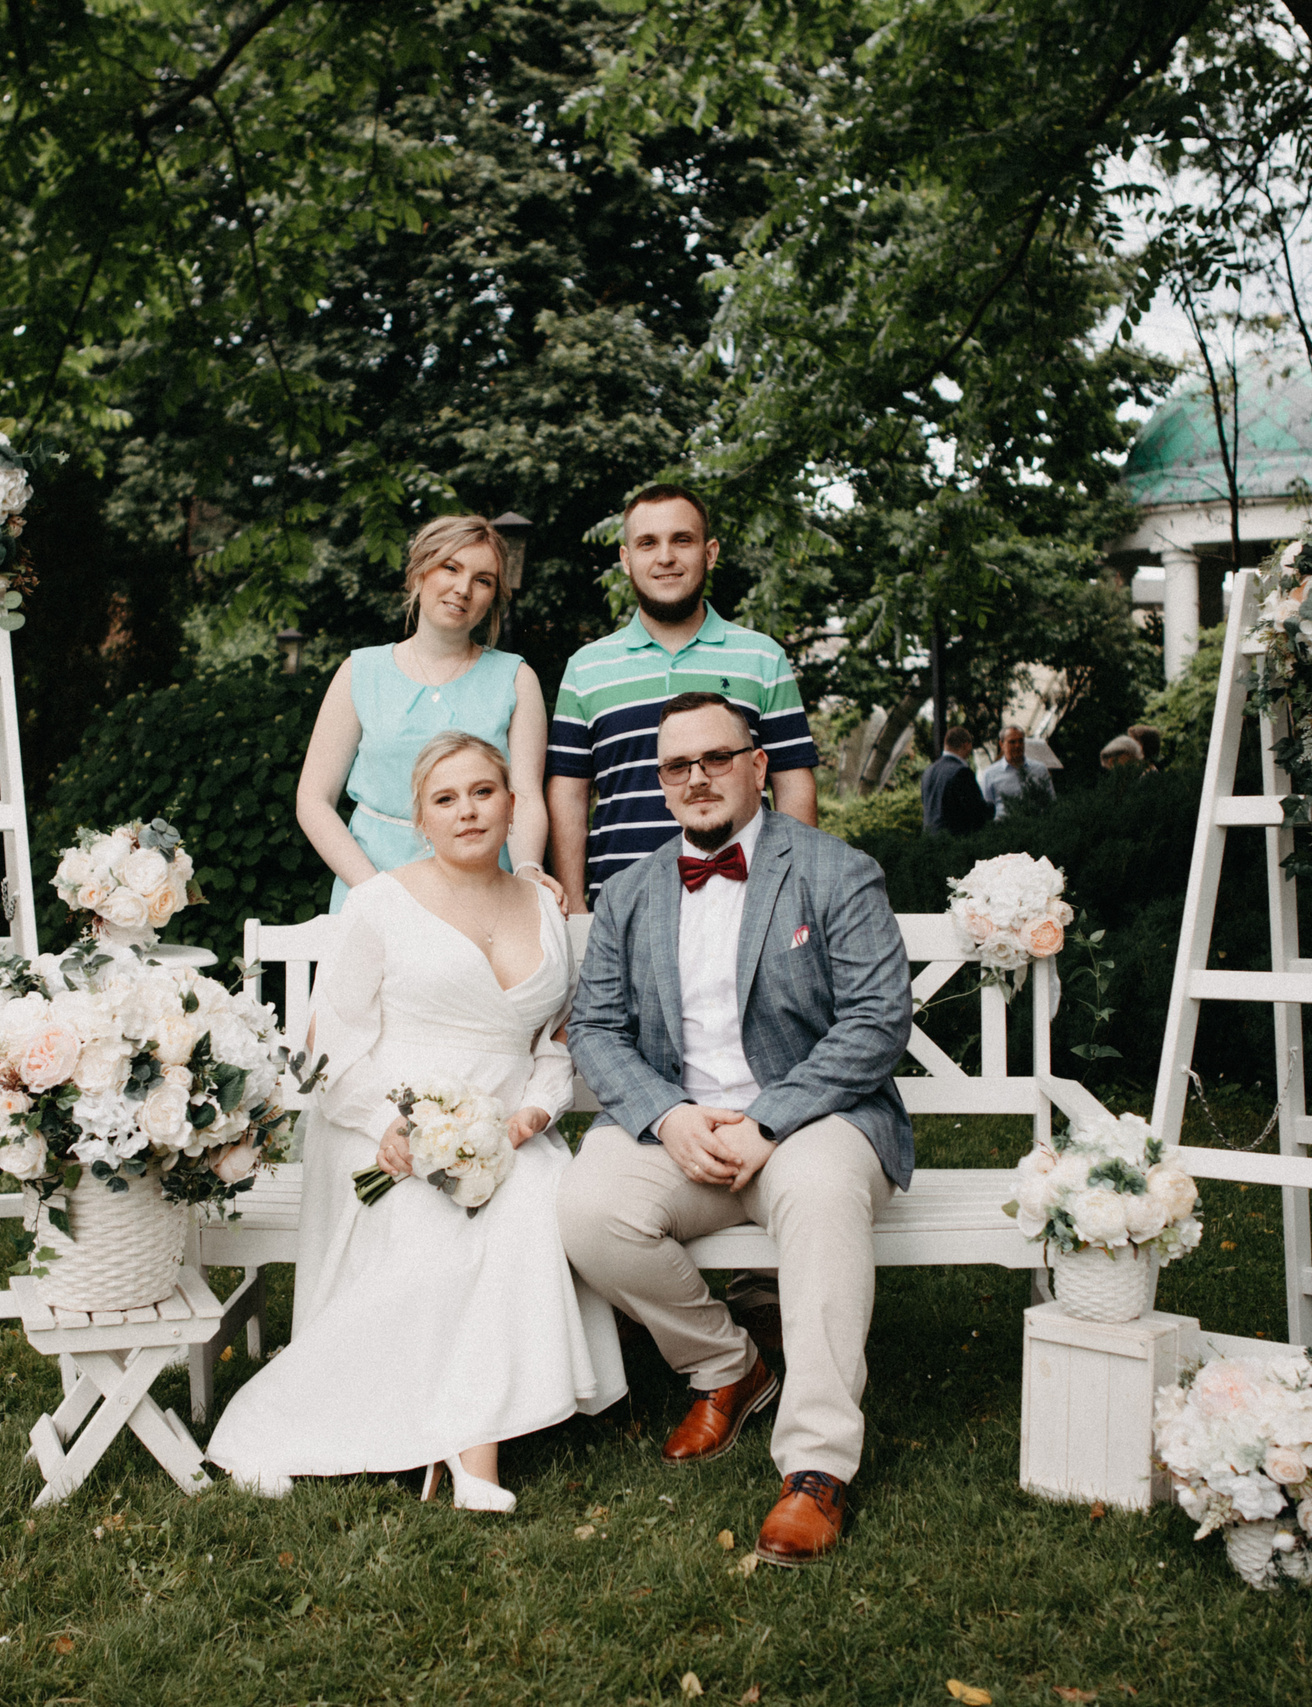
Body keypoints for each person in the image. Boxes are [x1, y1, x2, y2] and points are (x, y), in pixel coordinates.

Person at [209, 732, 626, 1508]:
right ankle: (430, 1448)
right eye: (446, 799)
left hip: (508, 1129)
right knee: (436, 1232)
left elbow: (554, 1043)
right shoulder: (380, 905)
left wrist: (534, 1113)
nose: (467, 810)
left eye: (483, 792)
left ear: (512, 805)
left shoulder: (543, 901)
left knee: (533, 1204)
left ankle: (466, 1452)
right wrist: (392, 1125)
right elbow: (326, 1046)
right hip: (386, 1132)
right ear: (419, 820)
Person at [558, 692, 914, 1566]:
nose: (698, 777)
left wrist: (769, 1119)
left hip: (812, 1119)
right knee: (587, 1209)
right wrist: (666, 1114)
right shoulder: (632, 889)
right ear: (660, 783)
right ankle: (727, 1365)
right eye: (678, 765)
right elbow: (595, 1029)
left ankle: (817, 1467)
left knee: (826, 1195)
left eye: (717, 758)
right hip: (683, 1125)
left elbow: (876, 1019)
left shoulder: (835, 870)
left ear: (757, 766)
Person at [546, 485, 817, 913]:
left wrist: (796, 892)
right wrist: (576, 903)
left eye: (682, 540)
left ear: (709, 553)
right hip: (622, 910)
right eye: (648, 543)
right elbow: (568, 795)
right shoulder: (585, 668)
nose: (666, 556)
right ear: (626, 559)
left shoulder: (762, 657)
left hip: (747, 903)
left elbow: (793, 784)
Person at [297, 515, 561, 912]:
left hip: (484, 894)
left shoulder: (517, 679)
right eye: (450, 568)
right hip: (375, 892)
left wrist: (527, 870)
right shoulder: (360, 672)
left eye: (483, 580)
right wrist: (375, 892)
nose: (463, 589)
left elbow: (523, 795)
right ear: (420, 572)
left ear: (494, 596)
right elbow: (314, 799)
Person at [919, 726, 992, 836]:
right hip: (953, 841)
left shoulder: (928, 771)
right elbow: (976, 811)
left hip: (929, 839)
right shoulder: (961, 772)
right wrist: (992, 807)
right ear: (966, 745)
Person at [976, 726, 1055, 819]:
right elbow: (987, 808)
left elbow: (1051, 801)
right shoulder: (990, 773)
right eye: (1012, 742)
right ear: (1002, 744)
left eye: (1020, 741)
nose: (1017, 745)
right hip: (1004, 828)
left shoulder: (1040, 769)